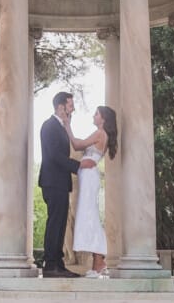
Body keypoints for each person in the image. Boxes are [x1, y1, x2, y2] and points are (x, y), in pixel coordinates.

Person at [38, 91, 95, 278]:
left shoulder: (61, 127)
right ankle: (50, 265)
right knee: (55, 223)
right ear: (60, 107)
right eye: (70, 105)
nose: (73, 109)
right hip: (52, 182)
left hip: (60, 183)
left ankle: (58, 263)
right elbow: (54, 156)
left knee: (60, 223)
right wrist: (78, 165)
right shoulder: (49, 126)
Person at [63, 104, 118, 278]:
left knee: (90, 215)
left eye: (96, 114)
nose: (93, 116)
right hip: (87, 175)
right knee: (88, 215)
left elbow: (78, 145)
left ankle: (100, 258)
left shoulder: (100, 133)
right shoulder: (101, 134)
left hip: (89, 176)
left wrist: (67, 126)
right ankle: (97, 262)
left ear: (103, 119)